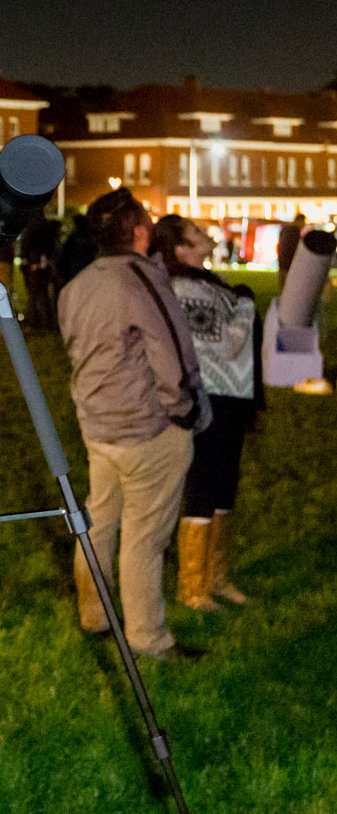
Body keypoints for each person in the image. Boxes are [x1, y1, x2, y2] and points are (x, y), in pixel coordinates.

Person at [57, 188, 210, 660]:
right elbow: (173, 352)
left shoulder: (76, 286)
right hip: (147, 430)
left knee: (99, 521)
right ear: (141, 232)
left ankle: (95, 613)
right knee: (144, 536)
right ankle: (148, 636)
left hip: (97, 426)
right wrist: (186, 410)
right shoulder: (142, 278)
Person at [152, 215, 257, 610]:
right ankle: (192, 585)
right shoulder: (186, 288)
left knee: (225, 484)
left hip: (230, 397)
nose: (205, 234)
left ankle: (217, 576)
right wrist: (245, 305)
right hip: (208, 399)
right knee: (204, 485)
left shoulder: (210, 283)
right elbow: (223, 346)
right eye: (196, 233)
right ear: (181, 249)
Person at [277, 213, 306, 292]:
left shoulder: (286, 228)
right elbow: (293, 247)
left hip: (282, 261)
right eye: (304, 222)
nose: (304, 224)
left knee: (284, 286)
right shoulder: (294, 230)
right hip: (289, 262)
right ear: (299, 221)